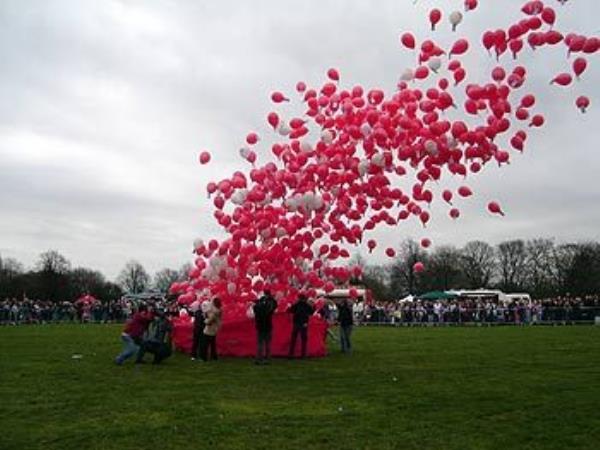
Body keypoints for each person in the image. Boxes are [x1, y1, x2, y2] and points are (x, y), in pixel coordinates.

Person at [253, 290, 278, 365]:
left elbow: (255, 309)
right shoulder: (269, 306)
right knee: (267, 343)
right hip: (267, 325)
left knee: (260, 343)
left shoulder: (258, 306)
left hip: (260, 326)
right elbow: (274, 307)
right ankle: (267, 359)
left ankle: (259, 358)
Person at [288, 294, 314, 359]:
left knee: (293, 339)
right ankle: (303, 354)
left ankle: (291, 354)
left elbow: (290, 310)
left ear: (299, 298)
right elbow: (311, 312)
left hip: (296, 323)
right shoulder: (307, 305)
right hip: (304, 323)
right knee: (303, 340)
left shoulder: (296, 305)